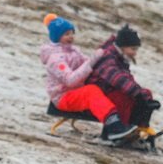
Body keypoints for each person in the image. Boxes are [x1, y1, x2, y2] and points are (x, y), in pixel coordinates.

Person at [40, 14, 137, 142]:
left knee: (113, 90)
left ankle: (122, 128)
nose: (71, 37)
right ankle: (114, 125)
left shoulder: (73, 51)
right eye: (66, 34)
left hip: (77, 92)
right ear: (57, 36)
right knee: (91, 91)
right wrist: (91, 61)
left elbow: (89, 64)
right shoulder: (55, 58)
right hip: (63, 96)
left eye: (72, 33)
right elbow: (70, 80)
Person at [87, 24, 161, 134]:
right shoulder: (108, 56)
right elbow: (117, 78)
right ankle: (116, 131)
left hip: (108, 89)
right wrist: (137, 93)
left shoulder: (121, 58)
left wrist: (144, 96)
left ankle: (138, 127)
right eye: (133, 49)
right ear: (123, 46)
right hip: (98, 92)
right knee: (123, 97)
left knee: (144, 94)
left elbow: (127, 79)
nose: (135, 53)